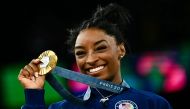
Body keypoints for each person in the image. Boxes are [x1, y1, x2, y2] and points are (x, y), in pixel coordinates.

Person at [18, 3, 173, 109]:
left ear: (121, 50)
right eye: (81, 53)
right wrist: (33, 95)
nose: (90, 60)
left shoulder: (153, 104)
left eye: (100, 48)